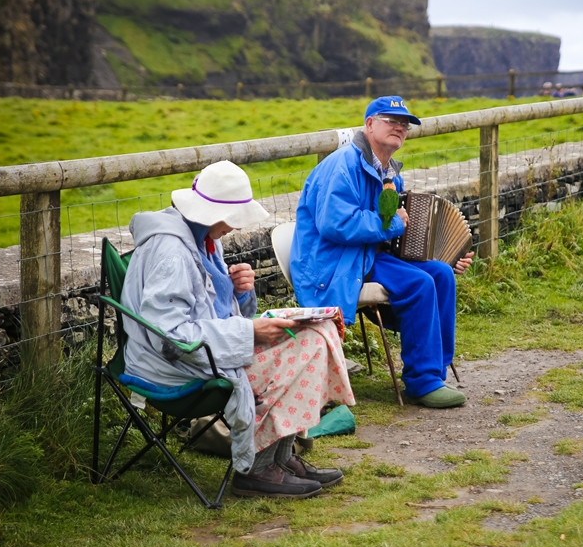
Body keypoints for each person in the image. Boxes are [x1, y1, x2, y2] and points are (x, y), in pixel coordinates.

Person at [120, 160, 355, 499]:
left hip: (200, 354)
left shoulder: (201, 240)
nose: (234, 228)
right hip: (171, 368)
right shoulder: (172, 251)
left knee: (315, 331)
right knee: (305, 345)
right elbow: (169, 336)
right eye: (232, 218)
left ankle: (280, 457)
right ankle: (258, 471)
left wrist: (239, 294)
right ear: (211, 210)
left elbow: (210, 312)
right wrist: (251, 333)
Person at [290, 96, 474, 409]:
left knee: (440, 274)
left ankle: (435, 370)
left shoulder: (389, 172)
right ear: (369, 124)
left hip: (365, 254)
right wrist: (387, 225)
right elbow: (334, 224)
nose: (399, 127)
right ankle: (421, 382)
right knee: (419, 284)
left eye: (404, 124)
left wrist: (447, 256)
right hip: (334, 261)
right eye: (391, 120)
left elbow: (393, 234)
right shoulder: (342, 166)